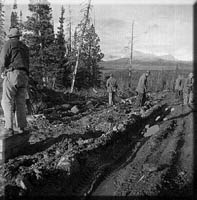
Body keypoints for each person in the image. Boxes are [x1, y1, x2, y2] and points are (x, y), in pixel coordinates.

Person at [0, 27, 29, 135]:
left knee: (6, 101)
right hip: (24, 76)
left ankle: (9, 128)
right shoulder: (25, 47)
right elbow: (27, 63)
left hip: (13, 74)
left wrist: (2, 71)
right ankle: (21, 127)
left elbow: (2, 60)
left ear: (10, 36)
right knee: (20, 102)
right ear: (18, 36)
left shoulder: (9, 44)